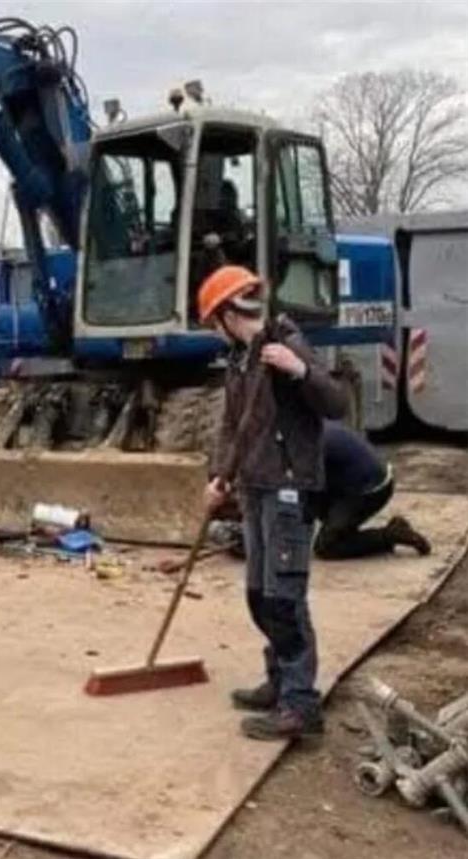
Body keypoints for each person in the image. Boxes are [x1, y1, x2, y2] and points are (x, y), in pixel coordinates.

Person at [200, 265, 349, 741]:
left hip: (288, 487)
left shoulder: (286, 342)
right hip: (254, 486)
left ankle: (300, 704)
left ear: (228, 316)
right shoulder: (240, 360)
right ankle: (280, 679)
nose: (214, 332)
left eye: (213, 322)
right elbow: (232, 426)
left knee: (285, 598)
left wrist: (298, 369)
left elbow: (336, 403)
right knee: (259, 595)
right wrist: (219, 476)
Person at [312, 422, 430, 559]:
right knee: (309, 503)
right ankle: (345, 531)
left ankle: (390, 535)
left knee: (327, 546)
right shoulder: (312, 426)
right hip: (363, 481)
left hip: (369, 491)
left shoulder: (310, 442)